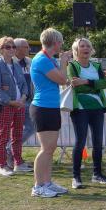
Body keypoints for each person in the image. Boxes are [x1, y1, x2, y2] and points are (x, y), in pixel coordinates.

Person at [29, 28, 71, 197]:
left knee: (50, 148)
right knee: (46, 149)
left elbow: (62, 79)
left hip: (51, 107)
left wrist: (61, 63)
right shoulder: (42, 59)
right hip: (43, 108)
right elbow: (62, 79)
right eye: (60, 42)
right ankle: (38, 186)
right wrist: (63, 62)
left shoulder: (48, 59)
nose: (62, 45)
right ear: (55, 43)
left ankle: (47, 183)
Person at [68, 38, 106, 188]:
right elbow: (75, 85)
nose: (85, 48)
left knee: (98, 142)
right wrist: (93, 85)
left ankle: (97, 174)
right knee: (80, 142)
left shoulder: (96, 65)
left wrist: (86, 82)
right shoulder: (72, 65)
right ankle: (76, 177)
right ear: (76, 50)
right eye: (82, 46)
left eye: (88, 46)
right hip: (80, 108)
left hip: (97, 107)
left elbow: (104, 83)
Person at [0, 36, 30, 176]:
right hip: (6, 105)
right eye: (8, 47)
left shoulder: (17, 65)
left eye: (13, 46)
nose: (11, 49)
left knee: (17, 135)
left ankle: (18, 163)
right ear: (0, 49)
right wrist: (12, 102)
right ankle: (2, 165)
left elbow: (24, 85)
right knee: (3, 136)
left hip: (19, 105)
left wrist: (22, 99)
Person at [6, 38, 35, 169]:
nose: (29, 49)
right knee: (17, 130)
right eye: (26, 46)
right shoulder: (9, 63)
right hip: (14, 101)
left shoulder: (30, 62)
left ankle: (11, 151)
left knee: (30, 127)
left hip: (28, 100)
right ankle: (12, 155)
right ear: (17, 49)